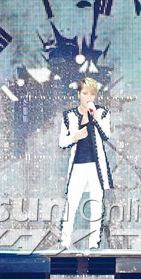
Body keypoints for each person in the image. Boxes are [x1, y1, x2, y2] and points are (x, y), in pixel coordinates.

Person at [58, 77, 113, 250]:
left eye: (92, 94)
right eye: (85, 93)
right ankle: (64, 242)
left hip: (96, 166)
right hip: (78, 166)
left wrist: (95, 118)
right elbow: (62, 142)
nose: (89, 97)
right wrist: (75, 137)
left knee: (96, 204)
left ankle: (94, 244)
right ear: (78, 94)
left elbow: (106, 136)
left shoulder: (102, 113)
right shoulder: (69, 116)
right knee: (71, 203)